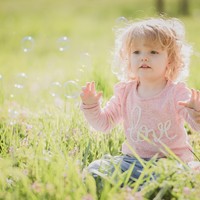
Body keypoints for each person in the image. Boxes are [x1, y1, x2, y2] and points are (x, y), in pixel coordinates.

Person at [80, 17, 200, 183]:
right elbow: (104, 123)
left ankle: (150, 185)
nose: (144, 57)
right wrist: (91, 106)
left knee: (179, 177)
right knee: (95, 169)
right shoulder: (125, 92)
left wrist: (196, 114)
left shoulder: (176, 93)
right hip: (133, 162)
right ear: (127, 58)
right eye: (136, 52)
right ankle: (143, 185)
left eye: (153, 52)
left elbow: (196, 126)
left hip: (170, 163)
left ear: (170, 60)